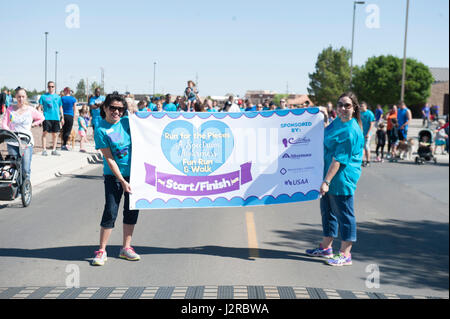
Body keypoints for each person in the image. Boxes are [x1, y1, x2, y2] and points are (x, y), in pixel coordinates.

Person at [305, 91, 364, 266]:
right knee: (327, 211)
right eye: (340, 105)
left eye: (347, 105)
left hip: (341, 178)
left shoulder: (351, 130)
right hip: (327, 174)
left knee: (345, 215)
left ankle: (345, 253)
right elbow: (324, 134)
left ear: (354, 108)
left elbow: (338, 160)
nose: (343, 108)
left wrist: (326, 181)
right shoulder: (338, 122)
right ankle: (326, 247)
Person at [92, 92, 140, 266]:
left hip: (134, 175)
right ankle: (102, 250)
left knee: (131, 210)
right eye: (113, 108)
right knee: (111, 210)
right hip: (114, 177)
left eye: (120, 109)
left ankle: (126, 248)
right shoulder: (101, 129)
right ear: (105, 108)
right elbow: (109, 159)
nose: (117, 112)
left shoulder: (128, 123)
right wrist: (122, 180)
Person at [2, 87, 45, 180]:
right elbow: (4, 124)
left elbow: (42, 117)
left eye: (23, 96)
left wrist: (33, 124)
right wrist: (9, 131)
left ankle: (25, 189)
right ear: (15, 97)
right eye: (18, 96)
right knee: (13, 166)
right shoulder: (10, 109)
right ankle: (15, 189)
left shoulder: (31, 110)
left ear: (25, 97)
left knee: (25, 169)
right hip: (12, 141)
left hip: (26, 142)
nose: (20, 99)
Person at [39, 81, 64, 156]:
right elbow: (39, 107)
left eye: (52, 86)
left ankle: (54, 150)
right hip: (46, 117)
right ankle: (44, 150)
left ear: (54, 87)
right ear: (47, 87)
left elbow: (60, 107)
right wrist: (40, 117)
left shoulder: (58, 97)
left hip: (56, 118)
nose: (51, 88)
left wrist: (62, 117)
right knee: (45, 133)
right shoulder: (43, 96)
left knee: (55, 134)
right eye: (49, 86)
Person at [360, 102, 375, 167]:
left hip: (367, 133)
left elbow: (372, 124)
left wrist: (368, 133)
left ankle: (368, 161)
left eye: (362, 106)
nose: (361, 107)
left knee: (366, 146)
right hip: (361, 133)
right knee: (362, 147)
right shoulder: (360, 113)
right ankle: (363, 161)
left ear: (365, 106)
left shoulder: (370, 113)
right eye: (360, 106)